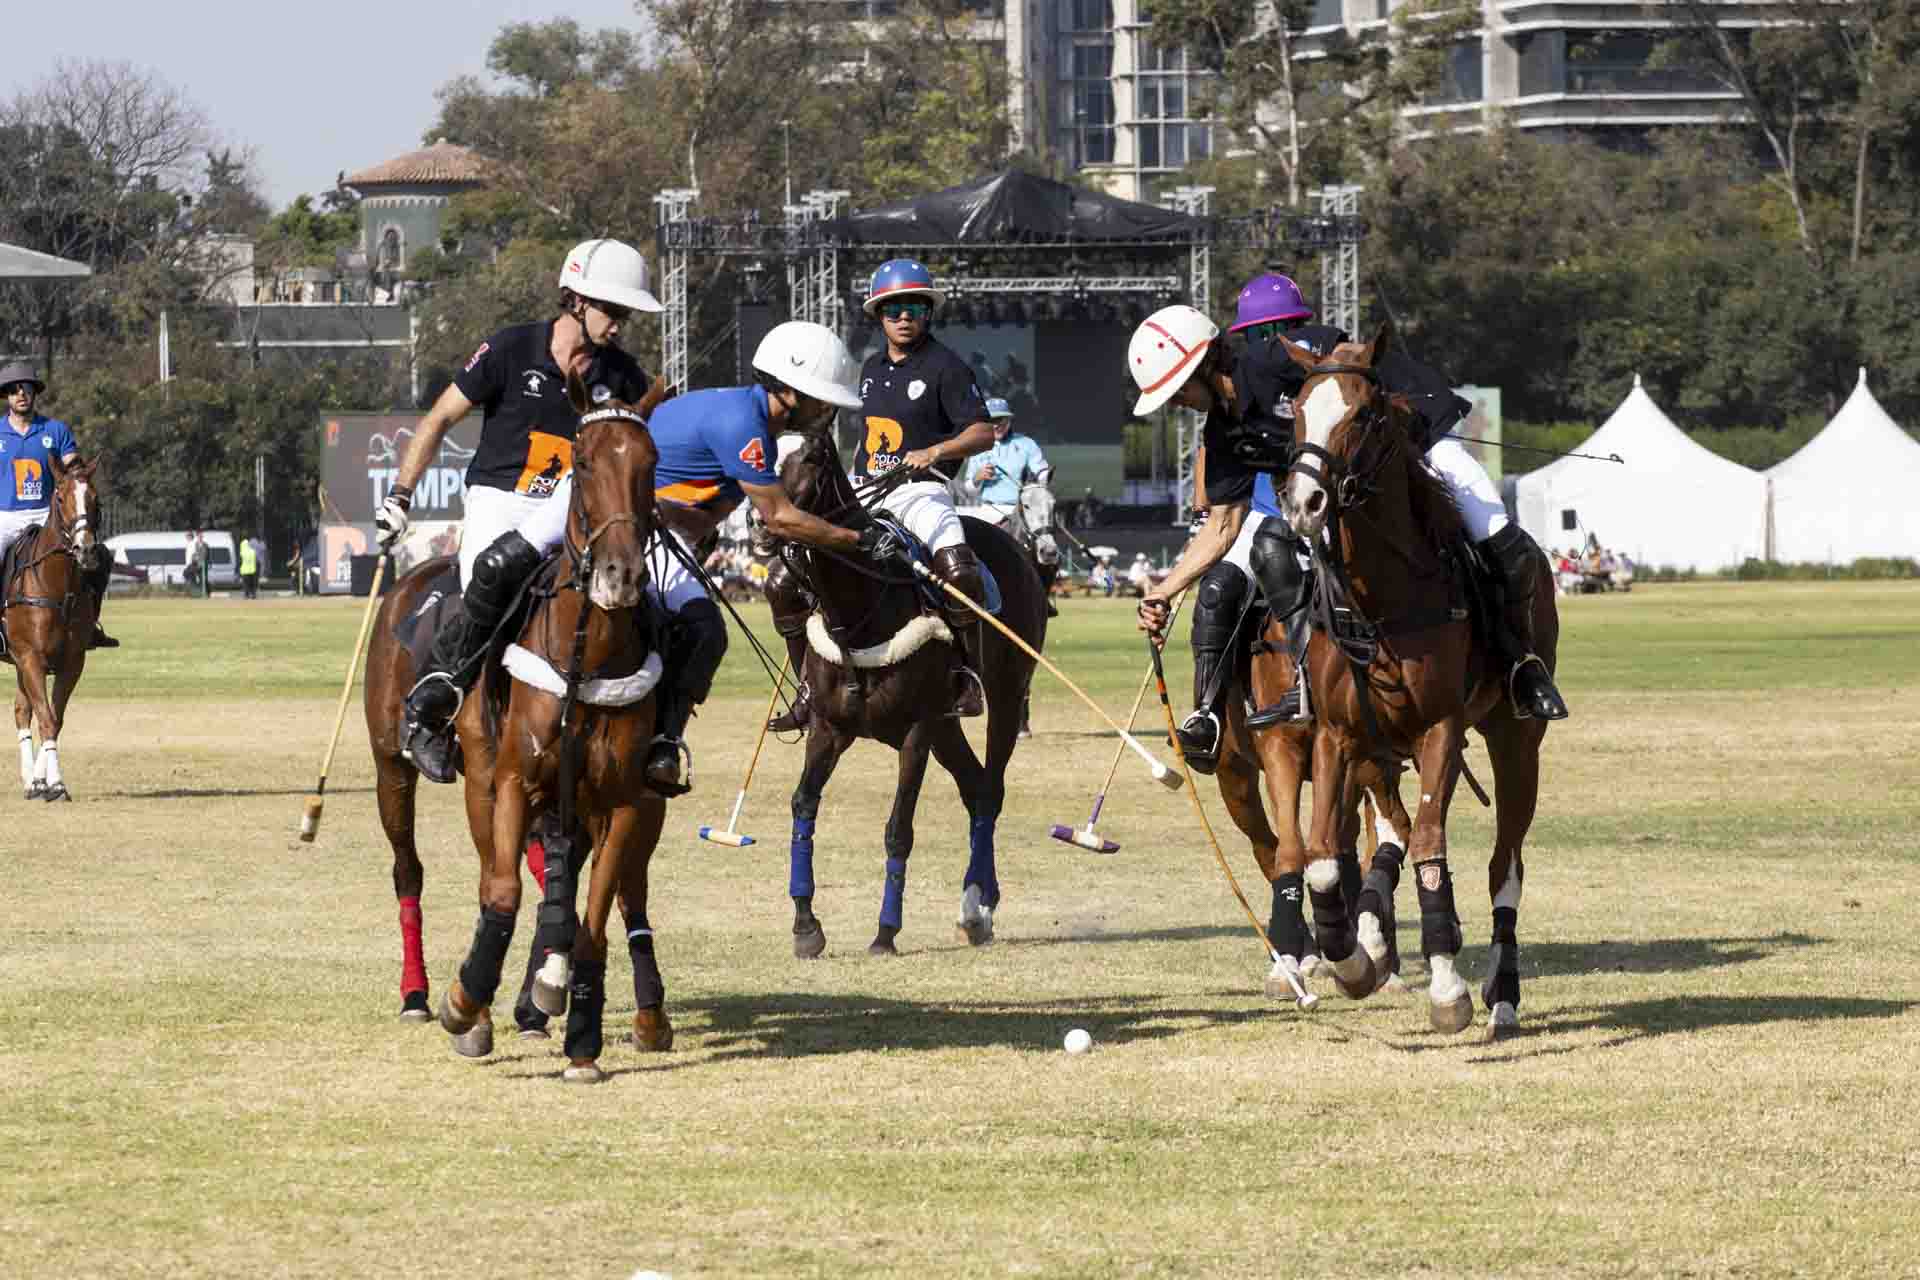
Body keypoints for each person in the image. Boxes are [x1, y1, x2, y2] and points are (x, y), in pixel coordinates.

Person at [376, 239, 663, 782]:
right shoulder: (510, 349)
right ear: (576, 300)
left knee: (641, 596)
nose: (619, 325)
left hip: (569, 504)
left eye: (625, 315)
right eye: (612, 310)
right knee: (489, 574)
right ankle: (434, 706)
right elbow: (439, 418)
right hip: (500, 498)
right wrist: (401, 495)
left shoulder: (623, 376)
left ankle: (657, 733)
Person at [622, 320, 898, 790]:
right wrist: (857, 540)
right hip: (625, 522)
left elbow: (711, 513)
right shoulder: (743, 424)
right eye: (822, 400)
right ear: (790, 392)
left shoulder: (759, 435)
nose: (828, 411)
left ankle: (664, 739)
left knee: (701, 629)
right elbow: (780, 518)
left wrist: (694, 530)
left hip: (656, 527)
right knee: (706, 631)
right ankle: (663, 741)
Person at [767, 258, 994, 731]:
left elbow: (982, 432)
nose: (904, 317)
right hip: (867, 490)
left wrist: (936, 450)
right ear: (879, 316)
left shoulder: (946, 366)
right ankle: (806, 689)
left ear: (928, 312)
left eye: (914, 308)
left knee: (957, 568)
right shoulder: (868, 368)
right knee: (784, 579)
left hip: (922, 491)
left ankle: (966, 676)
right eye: (893, 309)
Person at [0, 362, 117, 648]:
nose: (21, 394)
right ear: (6, 396)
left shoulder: (55, 430)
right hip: (6, 514)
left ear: (34, 393)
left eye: (26, 389)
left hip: (47, 514)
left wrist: (79, 474)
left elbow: (73, 468)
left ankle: (90, 624)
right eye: (14, 390)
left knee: (97, 556)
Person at [961, 397, 1059, 611]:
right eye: (993, 420)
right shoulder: (978, 447)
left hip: (1021, 510)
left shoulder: (1026, 444)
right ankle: (976, 595)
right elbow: (969, 488)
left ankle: (1043, 598)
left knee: (1049, 544)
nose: (997, 425)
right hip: (988, 509)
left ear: (1009, 420)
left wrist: (1044, 475)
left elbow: (1041, 472)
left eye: (1002, 420)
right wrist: (978, 477)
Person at [238, 534, 259, 599]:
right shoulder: (253, 551)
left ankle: (246, 595)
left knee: (246, 584)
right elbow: (256, 561)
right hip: (252, 570)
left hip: (244, 571)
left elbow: (240, 561)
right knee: (252, 584)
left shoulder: (242, 552)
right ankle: (253, 595)